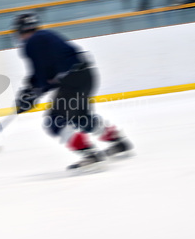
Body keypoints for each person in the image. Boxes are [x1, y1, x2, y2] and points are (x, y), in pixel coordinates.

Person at [12, 14, 133, 170]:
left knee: (54, 121)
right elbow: (46, 75)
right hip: (87, 75)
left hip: (73, 79)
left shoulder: (31, 43)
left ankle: (90, 154)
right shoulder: (45, 36)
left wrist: (30, 96)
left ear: (21, 31)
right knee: (81, 118)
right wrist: (31, 91)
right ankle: (118, 141)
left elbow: (43, 77)